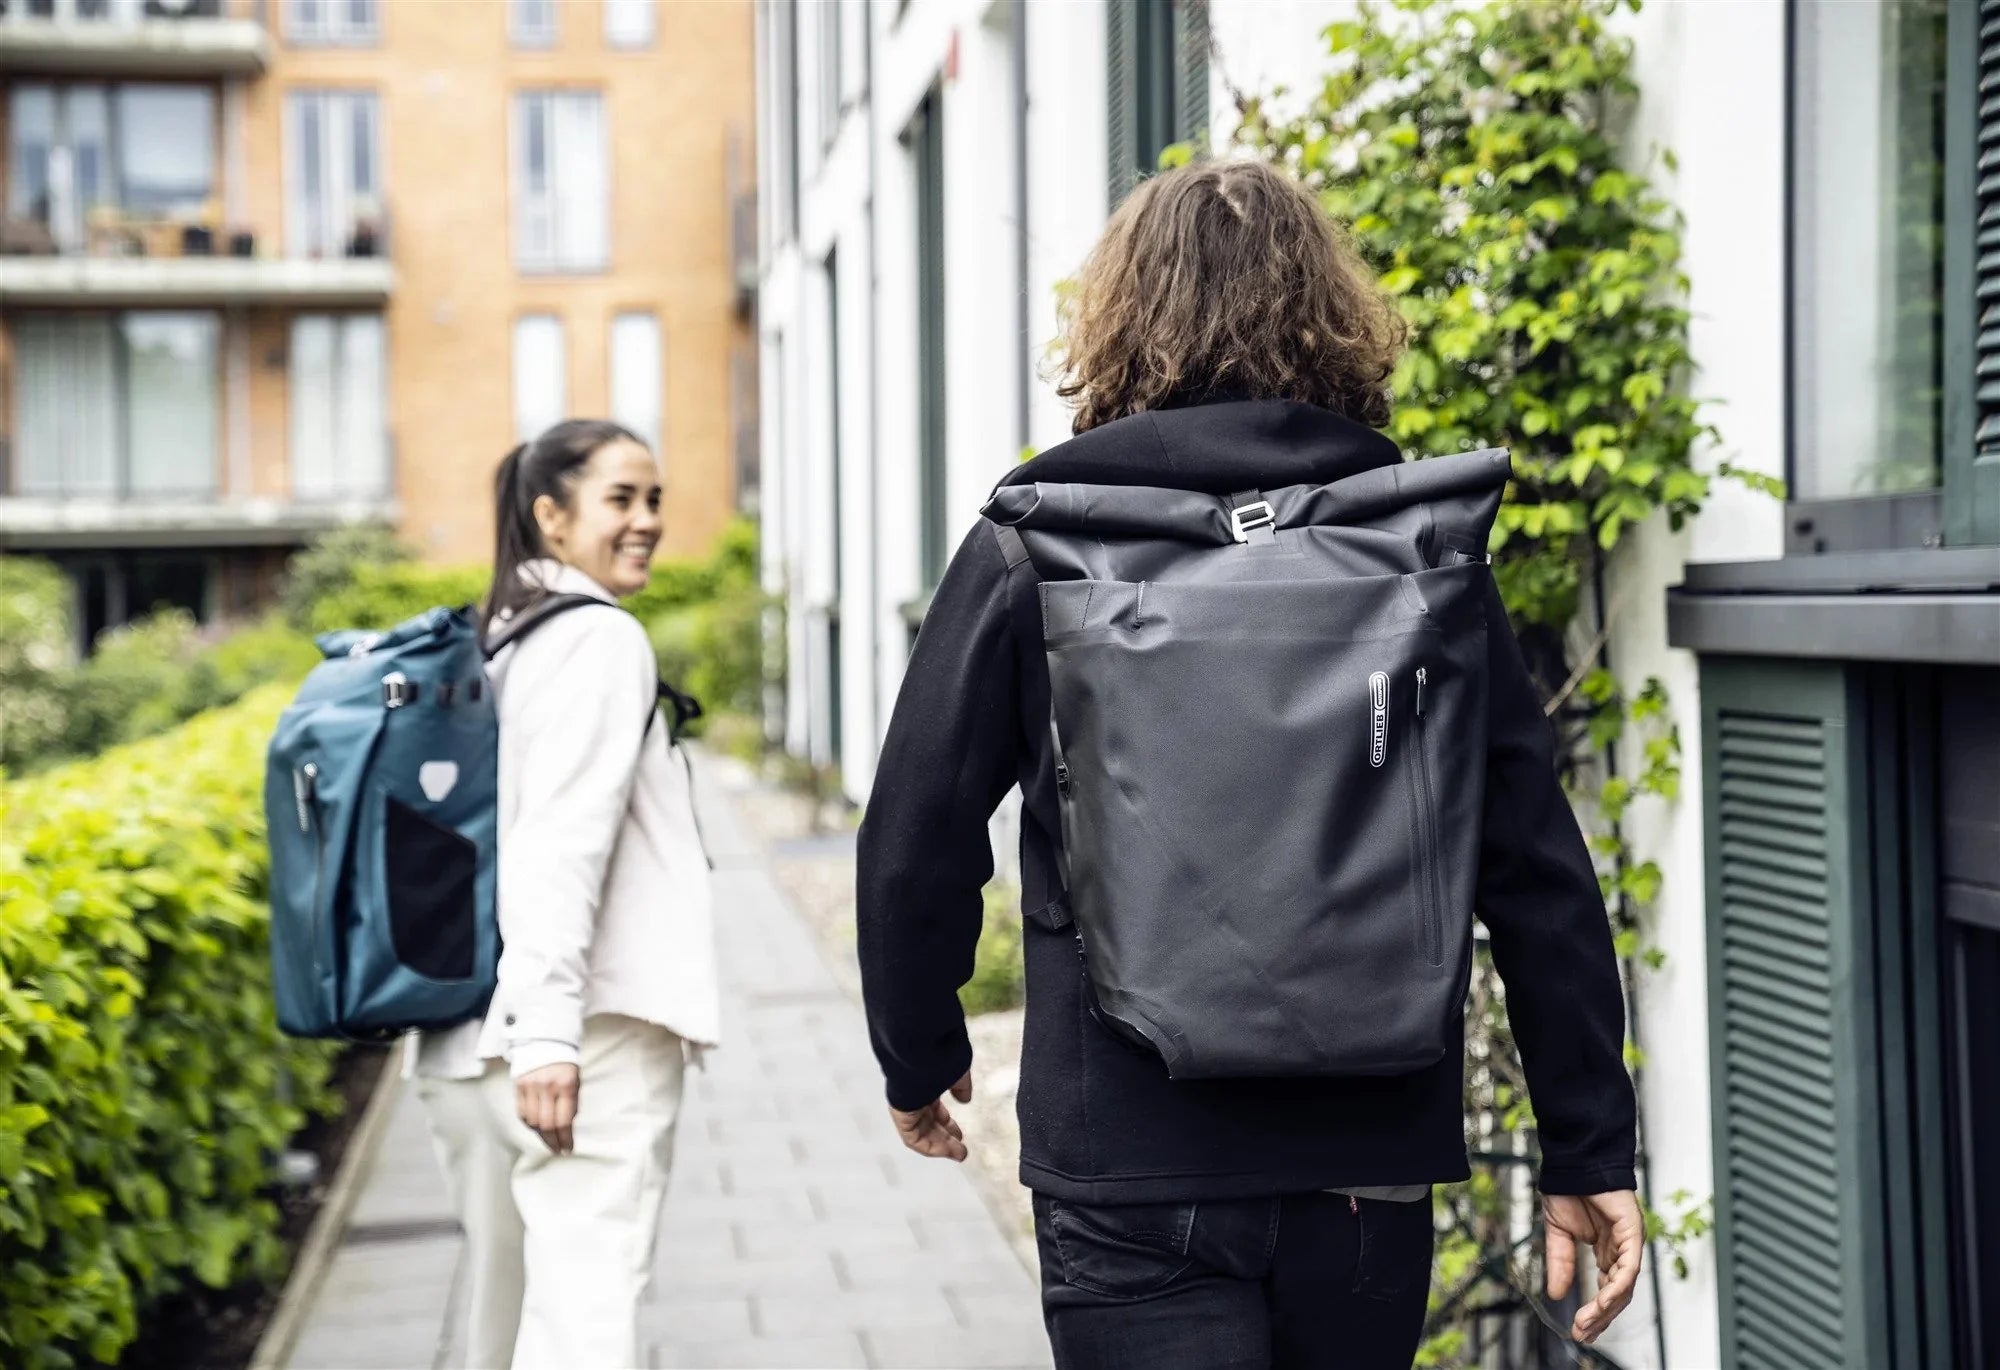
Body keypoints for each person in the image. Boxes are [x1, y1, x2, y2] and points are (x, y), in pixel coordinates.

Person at [855, 159, 1643, 1370]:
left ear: (1117, 322)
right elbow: (1534, 865)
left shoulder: (1040, 548)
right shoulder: (1416, 553)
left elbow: (914, 834)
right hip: (1363, 1164)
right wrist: (1585, 1142)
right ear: (1331, 316)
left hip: (1126, 1156)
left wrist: (919, 1049)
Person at [409, 419, 720, 1369]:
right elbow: (558, 846)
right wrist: (548, 1036)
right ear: (551, 516)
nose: (647, 520)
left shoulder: (496, 634)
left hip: (466, 1039)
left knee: (501, 1327)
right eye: (620, 498)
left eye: (654, 499)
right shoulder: (595, 639)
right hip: (586, 1036)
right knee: (584, 1323)